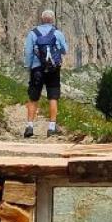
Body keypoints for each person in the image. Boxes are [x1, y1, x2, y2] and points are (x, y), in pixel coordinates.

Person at [23, 9, 68, 138]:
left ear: (41, 19)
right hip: (53, 69)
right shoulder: (58, 33)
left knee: (33, 97)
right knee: (53, 97)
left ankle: (30, 126)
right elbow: (64, 50)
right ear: (52, 20)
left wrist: (29, 67)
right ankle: (51, 128)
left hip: (37, 69)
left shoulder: (33, 33)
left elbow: (28, 52)